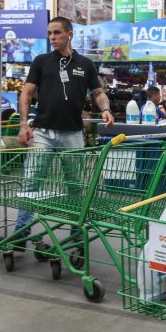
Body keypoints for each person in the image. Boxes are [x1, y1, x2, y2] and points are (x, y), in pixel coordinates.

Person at [14, 16, 115, 247]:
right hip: (42, 133)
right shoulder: (41, 62)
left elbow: (98, 93)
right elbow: (26, 94)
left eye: (57, 32)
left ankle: (76, 232)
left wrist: (106, 109)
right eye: (50, 33)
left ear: (69, 34)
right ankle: (19, 233)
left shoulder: (86, 64)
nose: (52, 37)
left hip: (73, 134)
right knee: (31, 183)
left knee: (75, 186)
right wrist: (23, 124)